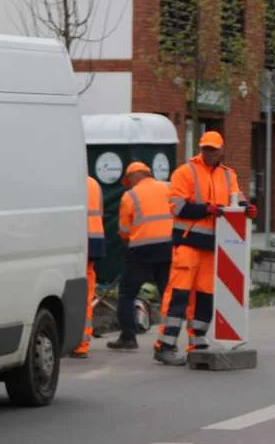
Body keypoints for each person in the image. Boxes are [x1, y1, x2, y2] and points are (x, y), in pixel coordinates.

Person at [153, 131, 257, 366]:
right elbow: (177, 207)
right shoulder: (185, 172)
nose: (209, 153)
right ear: (200, 149)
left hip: (213, 246)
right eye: (205, 149)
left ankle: (197, 340)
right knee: (178, 294)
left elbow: (237, 201)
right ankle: (165, 344)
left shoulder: (229, 176)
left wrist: (247, 209)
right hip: (188, 244)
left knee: (205, 296)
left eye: (213, 149)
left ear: (222, 150)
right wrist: (207, 209)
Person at [107, 162, 173, 351]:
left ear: (134, 177)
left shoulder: (130, 195)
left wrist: (129, 240)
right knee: (167, 293)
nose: (128, 184)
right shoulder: (168, 187)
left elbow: (124, 230)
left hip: (141, 250)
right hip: (168, 247)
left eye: (128, 180)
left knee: (127, 293)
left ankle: (128, 337)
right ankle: (168, 338)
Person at [73, 174, 105, 358]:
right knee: (87, 290)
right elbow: (99, 211)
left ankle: (79, 341)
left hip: (77, 239)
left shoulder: (66, 180)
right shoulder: (93, 183)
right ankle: (82, 342)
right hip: (94, 240)